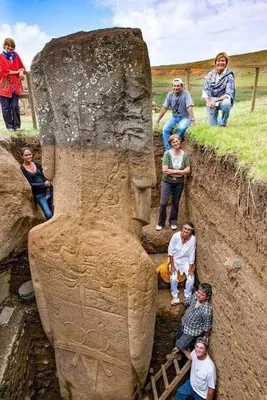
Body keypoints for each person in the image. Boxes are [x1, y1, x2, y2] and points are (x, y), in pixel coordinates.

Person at [167, 283, 213, 359]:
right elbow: (187, 301)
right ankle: (181, 350)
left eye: (202, 295)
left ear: (207, 297)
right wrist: (178, 300)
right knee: (177, 339)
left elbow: (207, 327)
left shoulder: (206, 310)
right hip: (184, 324)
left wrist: (205, 339)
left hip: (191, 332)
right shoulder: (195, 297)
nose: (198, 295)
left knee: (179, 345)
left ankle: (189, 356)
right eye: (198, 292)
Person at [156, 134, 190, 231]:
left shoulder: (184, 155)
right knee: (163, 203)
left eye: (177, 141)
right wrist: (181, 172)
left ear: (180, 141)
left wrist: (172, 172)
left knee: (176, 202)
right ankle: (161, 223)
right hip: (167, 182)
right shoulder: (167, 154)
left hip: (179, 183)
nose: (176, 143)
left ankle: (173, 221)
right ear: (171, 144)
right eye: (173, 142)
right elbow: (165, 170)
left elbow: (188, 171)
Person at [155, 78, 195, 150]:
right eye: (174, 86)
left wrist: (192, 120)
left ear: (182, 86)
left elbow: (189, 107)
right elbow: (164, 108)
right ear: (172, 86)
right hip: (174, 117)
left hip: (185, 117)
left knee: (181, 128)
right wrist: (157, 120)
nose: (176, 87)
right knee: (165, 129)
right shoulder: (170, 95)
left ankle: (175, 146)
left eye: (178, 86)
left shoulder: (186, 94)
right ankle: (168, 151)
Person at [202, 52, 235, 127]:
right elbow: (205, 90)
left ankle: (223, 123)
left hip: (222, 100)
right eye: (218, 61)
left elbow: (228, 94)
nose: (220, 63)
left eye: (223, 61)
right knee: (213, 126)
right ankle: (218, 120)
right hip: (211, 101)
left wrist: (216, 100)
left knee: (227, 104)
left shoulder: (229, 76)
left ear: (226, 63)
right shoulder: (210, 74)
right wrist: (209, 102)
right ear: (215, 62)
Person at [20, 147, 53, 220]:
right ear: (22, 156)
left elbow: (45, 175)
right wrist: (43, 184)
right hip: (39, 195)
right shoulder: (22, 169)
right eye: (26, 155)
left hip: (49, 190)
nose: (28, 156)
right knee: (49, 214)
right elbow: (30, 184)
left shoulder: (36, 164)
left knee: (55, 211)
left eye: (29, 154)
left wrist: (47, 184)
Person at [0, 38, 25, 131]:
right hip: (4, 87)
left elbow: (21, 67)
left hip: (15, 86)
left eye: (12, 46)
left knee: (15, 106)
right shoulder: (1, 57)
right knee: (6, 107)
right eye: (8, 45)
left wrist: (21, 72)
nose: (10, 47)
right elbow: (4, 71)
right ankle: (9, 127)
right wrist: (17, 71)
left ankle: (17, 126)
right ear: (5, 45)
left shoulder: (16, 55)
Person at [168, 222, 196, 305]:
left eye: (189, 230)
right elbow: (170, 252)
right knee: (173, 278)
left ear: (191, 231)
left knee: (191, 278)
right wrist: (172, 266)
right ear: (182, 228)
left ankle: (187, 296)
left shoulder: (193, 239)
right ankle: (174, 295)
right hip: (175, 260)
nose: (186, 231)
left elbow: (192, 255)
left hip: (185, 261)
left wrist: (191, 269)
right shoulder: (175, 236)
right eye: (185, 228)